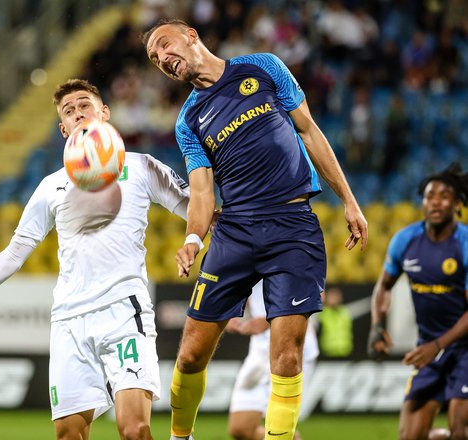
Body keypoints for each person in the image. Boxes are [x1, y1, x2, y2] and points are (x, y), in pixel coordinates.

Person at [0, 79, 190, 440]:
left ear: (104, 113)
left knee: (135, 430)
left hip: (124, 312)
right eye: (69, 111)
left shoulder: (141, 166)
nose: (78, 113)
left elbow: (196, 209)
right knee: (68, 434)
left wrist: (200, 236)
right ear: (63, 129)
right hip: (69, 320)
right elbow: (14, 253)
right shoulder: (51, 186)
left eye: (85, 105)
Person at [142, 19, 368, 440]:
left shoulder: (263, 67)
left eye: (164, 46)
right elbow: (202, 192)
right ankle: (180, 437)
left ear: (191, 35)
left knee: (286, 358)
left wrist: (349, 201)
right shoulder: (188, 120)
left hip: (293, 226)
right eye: (154, 59)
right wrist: (193, 238)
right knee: (190, 356)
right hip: (236, 231)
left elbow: (310, 131)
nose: (162, 60)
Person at [369, 163, 467, 440]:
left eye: (444, 196)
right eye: (429, 195)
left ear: (457, 203)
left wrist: (436, 345)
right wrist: (377, 326)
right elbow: (383, 287)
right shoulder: (405, 240)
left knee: (462, 430)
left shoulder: (465, 244)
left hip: (464, 349)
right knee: (410, 437)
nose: (435, 202)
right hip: (430, 350)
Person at [226, 280, 319, 440]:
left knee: (281, 430)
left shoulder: (292, 255)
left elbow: (315, 293)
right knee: (240, 429)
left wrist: (270, 319)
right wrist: (232, 313)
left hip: (292, 348)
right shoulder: (242, 255)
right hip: (259, 349)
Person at [318, 287, 353, 357]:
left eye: (336, 297)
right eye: (331, 297)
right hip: (327, 352)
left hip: (345, 352)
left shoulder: (346, 311)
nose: (334, 299)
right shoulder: (322, 312)